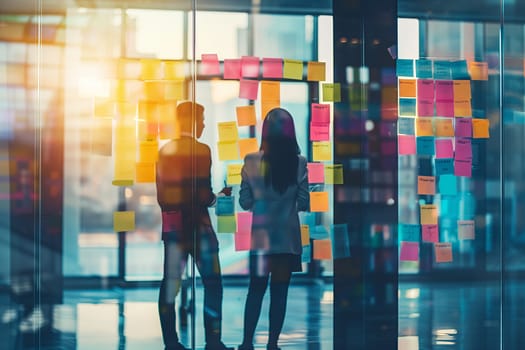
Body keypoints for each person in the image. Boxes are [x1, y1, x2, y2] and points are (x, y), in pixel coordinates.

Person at [156, 101, 233, 350]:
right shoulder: (202, 150)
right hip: (199, 227)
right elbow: (202, 194)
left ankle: (171, 342)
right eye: (201, 120)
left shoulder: (165, 150)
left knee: (170, 285)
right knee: (213, 284)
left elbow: (162, 195)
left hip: (174, 228)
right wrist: (217, 198)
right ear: (192, 122)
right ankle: (212, 341)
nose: (203, 124)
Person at [238, 108, 309, 350]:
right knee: (279, 294)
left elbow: (245, 203)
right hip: (287, 241)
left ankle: (247, 342)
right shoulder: (299, 163)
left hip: (261, 241)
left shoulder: (250, 160)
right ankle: (272, 344)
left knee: (255, 292)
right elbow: (304, 202)